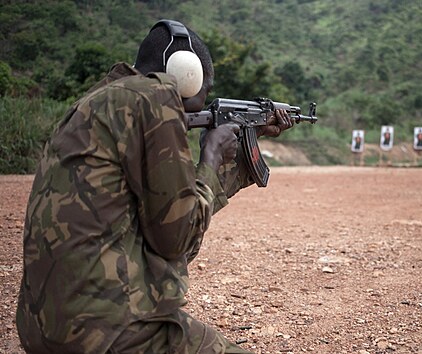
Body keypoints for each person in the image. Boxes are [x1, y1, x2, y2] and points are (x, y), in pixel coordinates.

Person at [16, 19, 294, 354]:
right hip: (105, 334)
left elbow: (171, 220)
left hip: (41, 330)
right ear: (186, 75)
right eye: (199, 96)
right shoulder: (156, 97)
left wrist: (233, 161)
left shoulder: (93, 104)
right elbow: (178, 241)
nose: (188, 114)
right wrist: (211, 156)